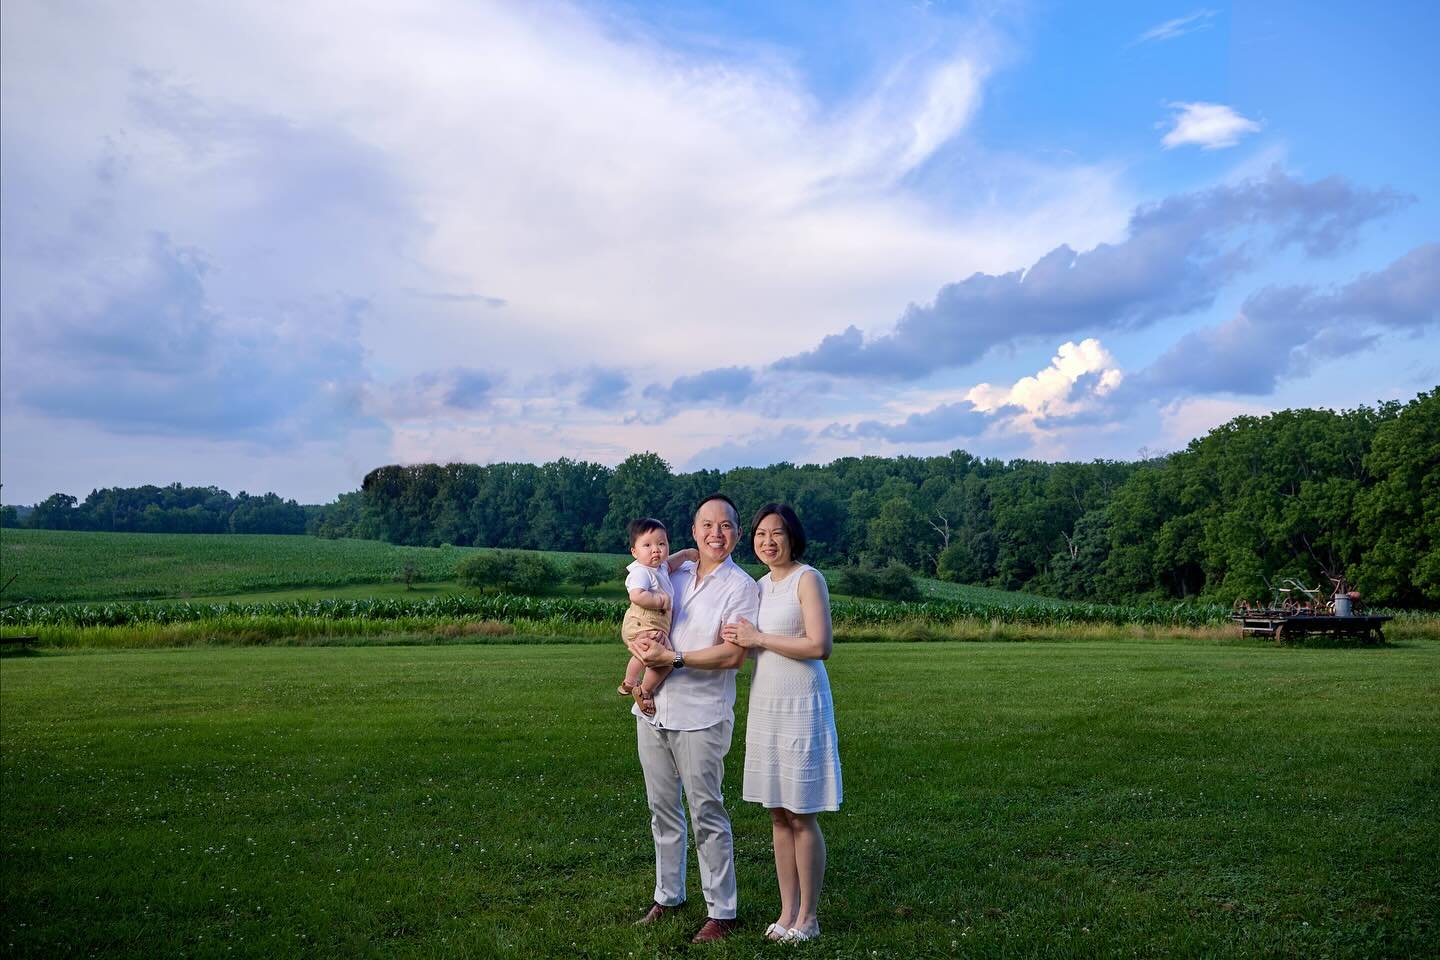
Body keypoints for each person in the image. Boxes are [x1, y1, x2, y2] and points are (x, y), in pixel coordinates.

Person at [625, 494, 759, 944]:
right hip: (652, 710)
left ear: (737, 533)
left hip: (702, 714)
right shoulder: (671, 572)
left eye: (726, 526)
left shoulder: (741, 587)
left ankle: (722, 911)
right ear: (694, 530)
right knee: (662, 808)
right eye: (707, 525)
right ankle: (668, 896)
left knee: (706, 811)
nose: (716, 534)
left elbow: (733, 656)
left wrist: (674, 658)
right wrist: (639, 648)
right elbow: (643, 613)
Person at [722, 503, 841, 943]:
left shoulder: (808, 579)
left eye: (777, 533)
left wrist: (758, 637)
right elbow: (755, 646)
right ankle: (787, 911)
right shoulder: (758, 587)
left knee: (801, 813)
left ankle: (808, 917)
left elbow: (819, 645)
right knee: (777, 812)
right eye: (760, 534)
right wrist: (740, 640)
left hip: (802, 704)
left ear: (793, 537)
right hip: (767, 704)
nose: (768, 541)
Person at [617, 518, 677, 715]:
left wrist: (686, 554)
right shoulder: (641, 572)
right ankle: (644, 691)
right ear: (634, 552)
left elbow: (672, 563)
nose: (656, 550)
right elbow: (636, 595)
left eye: (661, 543)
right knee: (666, 659)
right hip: (643, 622)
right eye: (647, 545)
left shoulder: (660, 568)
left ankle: (629, 682)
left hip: (649, 625)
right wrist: (659, 601)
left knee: (644, 655)